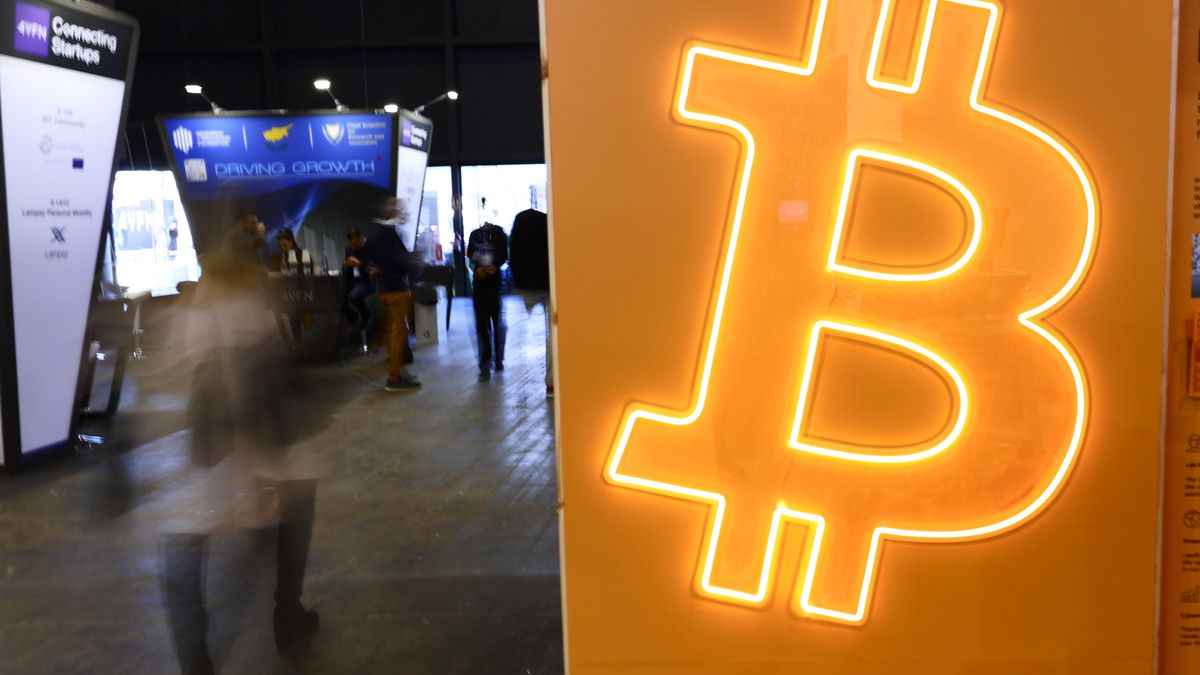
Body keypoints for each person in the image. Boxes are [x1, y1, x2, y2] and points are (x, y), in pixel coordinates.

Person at [349, 197, 421, 391]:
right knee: (398, 334)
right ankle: (394, 377)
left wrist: (375, 268)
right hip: (397, 290)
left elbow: (362, 255)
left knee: (392, 332)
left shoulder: (377, 234)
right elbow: (398, 263)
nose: (403, 213)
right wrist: (410, 264)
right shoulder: (390, 234)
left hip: (383, 290)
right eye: (401, 210)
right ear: (394, 213)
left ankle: (397, 371)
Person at [508, 208, 553, 396]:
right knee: (553, 334)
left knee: (546, 333)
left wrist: (519, 280)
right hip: (550, 283)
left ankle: (552, 382)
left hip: (527, 284)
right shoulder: (548, 222)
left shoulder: (521, 221)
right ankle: (552, 381)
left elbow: (513, 254)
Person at [467, 220, 509, 381]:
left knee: (494, 324)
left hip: (492, 285)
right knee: (485, 325)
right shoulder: (476, 235)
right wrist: (483, 268)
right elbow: (471, 256)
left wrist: (492, 266)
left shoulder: (497, 234)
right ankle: (488, 362)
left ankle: (495, 360)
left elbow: (503, 256)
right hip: (483, 285)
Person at [343, 228, 373, 330]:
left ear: (360, 239)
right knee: (338, 296)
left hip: (365, 281)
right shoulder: (348, 249)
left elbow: (371, 268)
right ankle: (352, 316)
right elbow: (345, 264)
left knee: (354, 295)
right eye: (351, 243)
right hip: (352, 280)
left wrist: (359, 263)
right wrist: (346, 264)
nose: (354, 245)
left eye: (356, 243)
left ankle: (366, 314)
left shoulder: (368, 248)